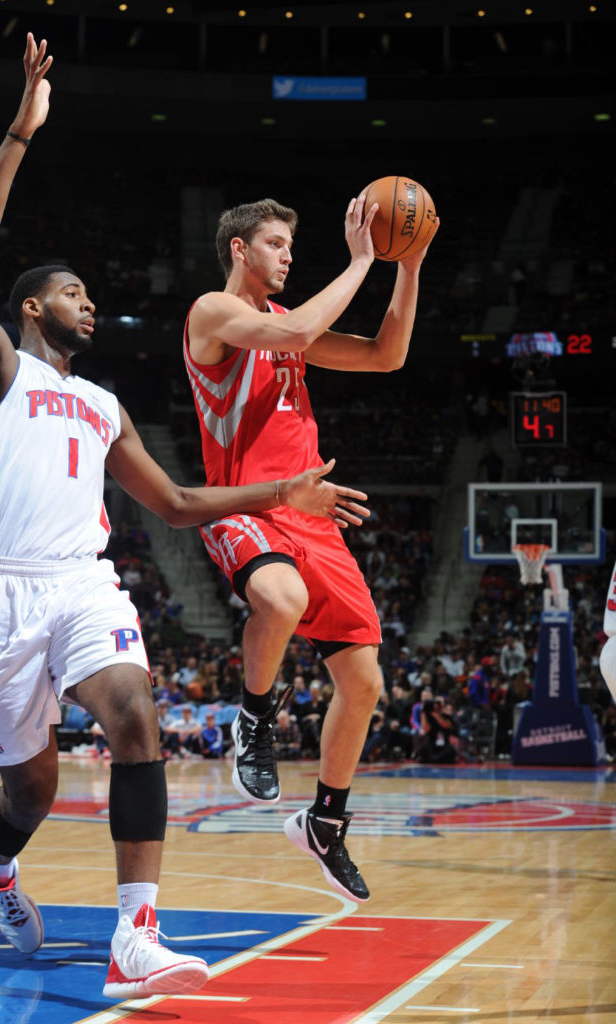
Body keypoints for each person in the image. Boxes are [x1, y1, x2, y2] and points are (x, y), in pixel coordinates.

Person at [0, 35, 372, 1001]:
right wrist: (19, 130)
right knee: (34, 790)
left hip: (82, 584)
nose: (88, 304)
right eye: (71, 292)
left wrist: (280, 494)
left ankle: (136, 933)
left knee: (138, 716)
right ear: (28, 305)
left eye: (92, 294)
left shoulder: (101, 405)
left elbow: (177, 505)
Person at [183, 189, 437, 902]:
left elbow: (387, 355)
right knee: (282, 596)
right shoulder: (214, 312)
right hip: (248, 503)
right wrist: (362, 259)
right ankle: (254, 718)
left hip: (313, 517)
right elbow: (293, 334)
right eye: (275, 243)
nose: (287, 254)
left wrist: (406, 266)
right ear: (239, 249)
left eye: (291, 246)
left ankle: (325, 821)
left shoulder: (284, 325)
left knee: (365, 686)